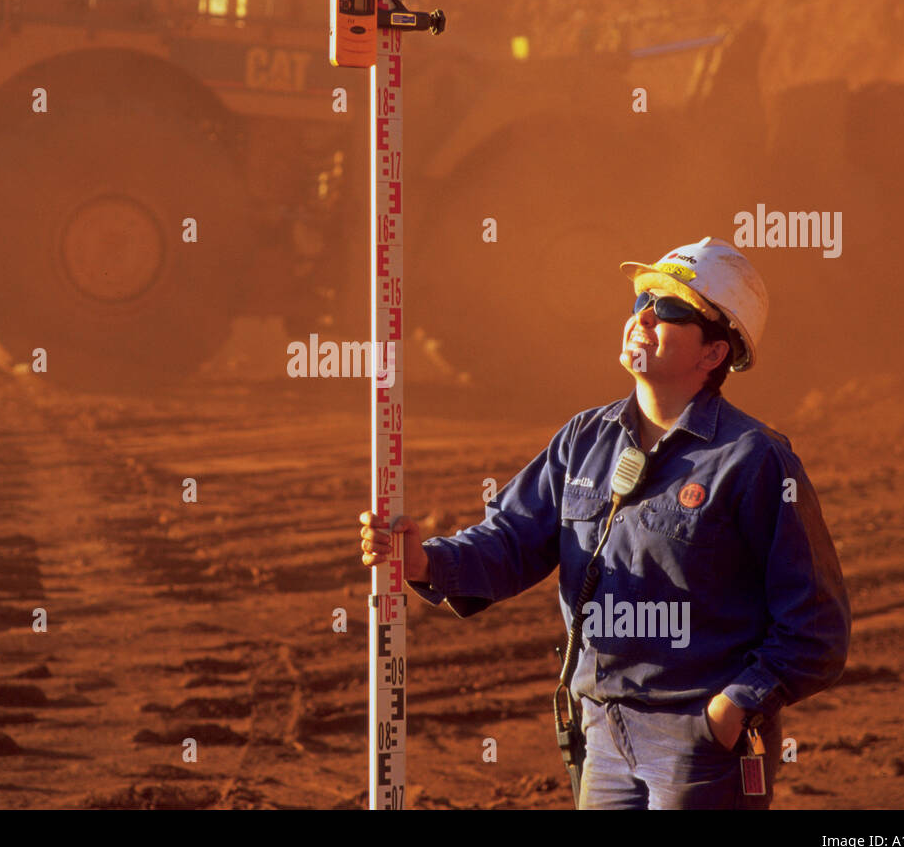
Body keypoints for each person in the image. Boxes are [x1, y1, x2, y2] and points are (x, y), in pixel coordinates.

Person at [358, 236, 851, 810]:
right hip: (604, 736)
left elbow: (816, 626)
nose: (643, 316)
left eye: (668, 308)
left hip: (703, 748)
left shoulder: (754, 460)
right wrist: (426, 561)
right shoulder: (583, 440)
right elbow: (514, 539)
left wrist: (734, 707)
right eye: (642, 299)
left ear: (714, 353)